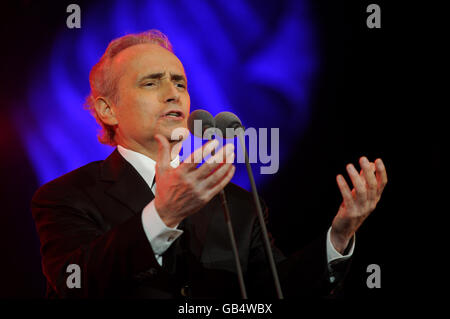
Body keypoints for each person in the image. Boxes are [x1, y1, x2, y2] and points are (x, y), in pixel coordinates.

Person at [31, 30, 388, 298]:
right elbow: (76, 284)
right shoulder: (65, 197)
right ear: (107, 109)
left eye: (179, 83)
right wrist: (163, 215)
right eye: (151, 82)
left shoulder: (239, 205)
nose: (173, 93)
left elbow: (278, 292)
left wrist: (339, 236)